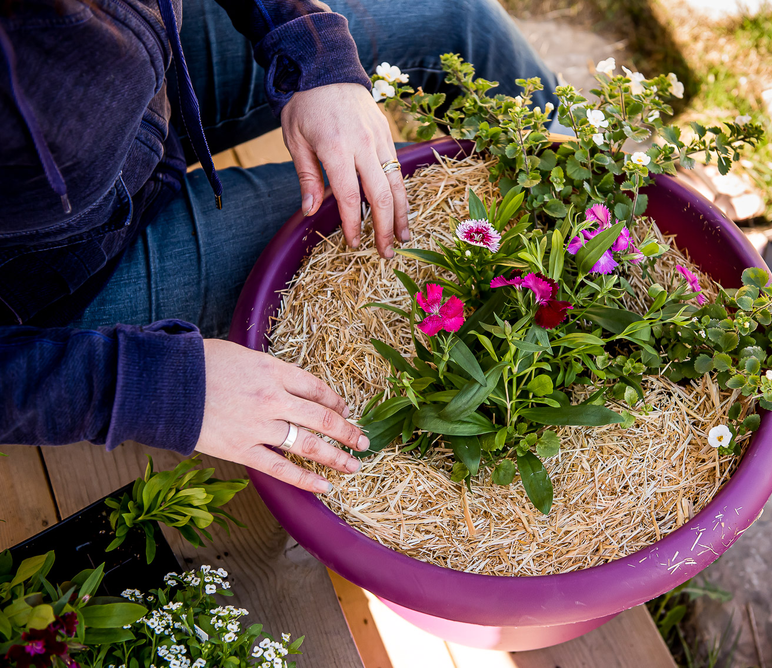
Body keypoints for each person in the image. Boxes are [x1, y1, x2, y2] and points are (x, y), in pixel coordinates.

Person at [0, 0, 558, 493]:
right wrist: (149, 386)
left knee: (460, 20)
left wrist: (311, 50)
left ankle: (589, 204)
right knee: (421, 215)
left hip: (149, 59)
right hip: (60, 267)